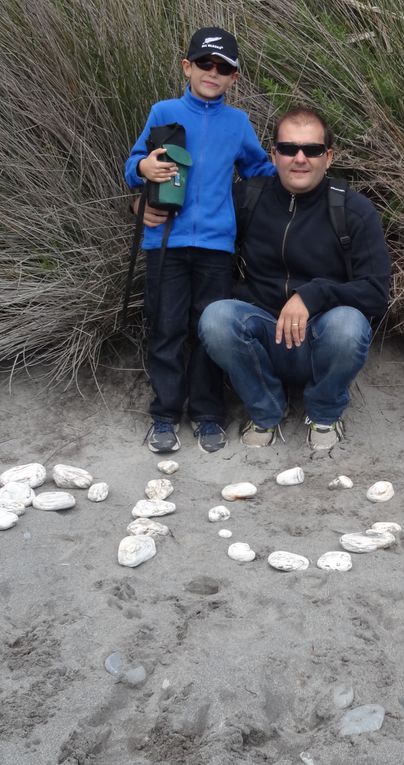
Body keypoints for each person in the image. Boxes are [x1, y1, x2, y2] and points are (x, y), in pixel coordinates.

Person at [197, 107, 390, 450]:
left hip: (321, 338)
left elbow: (376, 292)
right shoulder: (248, 198)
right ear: (273, 155)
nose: (300, 158)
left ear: (328, 157)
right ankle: (266, 409)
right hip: (262, 337)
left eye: (312, 150)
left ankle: (325, 411)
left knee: (350, 324)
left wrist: (313, 296)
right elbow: (198, 222)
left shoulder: (352, 210)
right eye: (288, 148)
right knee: (215, 318)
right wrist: (144, 205)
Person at [124, 26, 274, 454]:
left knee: (207, 331)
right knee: (167, 328)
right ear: (186, 67)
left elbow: (259, 169)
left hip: (216, 245)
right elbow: (134, 163)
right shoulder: (164, 112)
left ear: (234, 78)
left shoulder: (239, 122)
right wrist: (143, 173)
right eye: (204, 64)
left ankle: (209, 415)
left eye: (223, 67)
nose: (213, 72)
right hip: (163, 241)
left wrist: (294, 183)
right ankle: (165, 415)